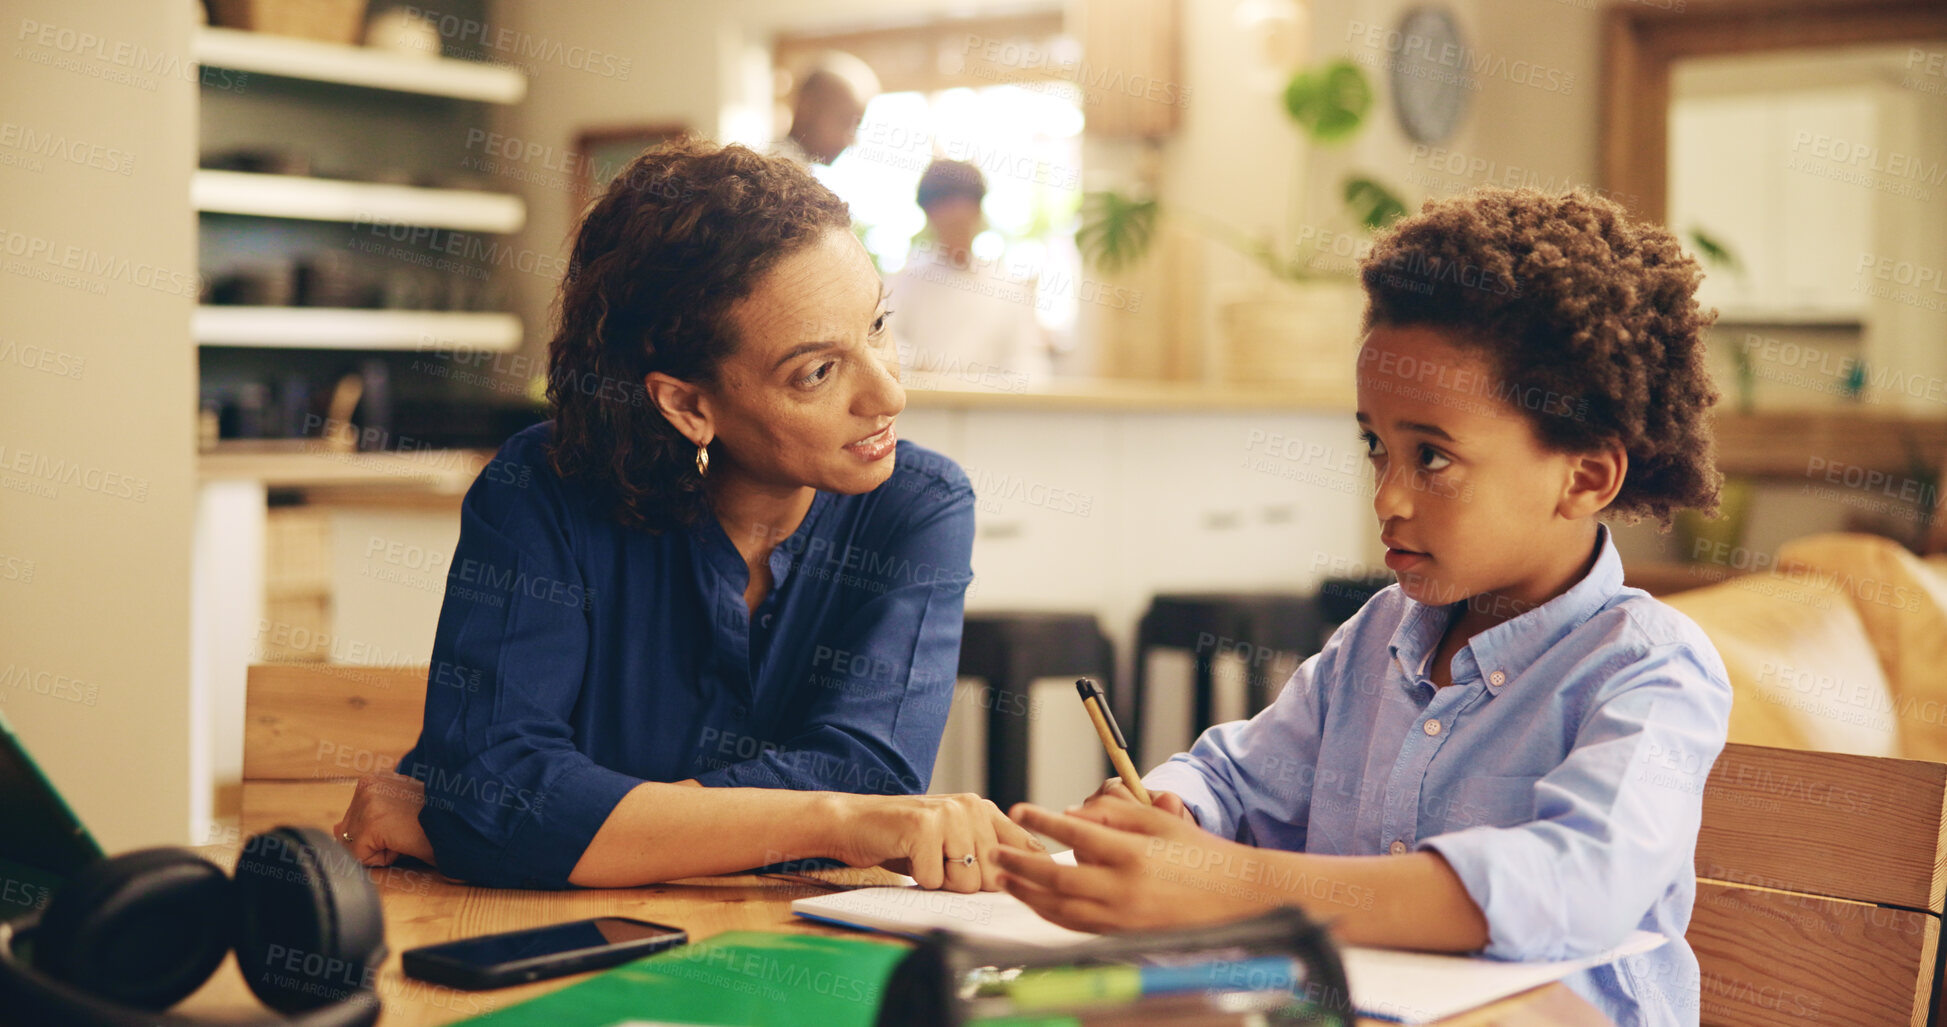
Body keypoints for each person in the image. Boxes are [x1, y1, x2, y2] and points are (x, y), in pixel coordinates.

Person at [991, 187, 1733, 1026]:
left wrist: (1219, 880)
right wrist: (1165, 815)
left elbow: (1573, 881)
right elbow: (1236, 776)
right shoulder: (1377, 636)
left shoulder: (1650, 666)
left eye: (1433, 457)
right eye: (1376, 446)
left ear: (1585, 476)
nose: (1387, 497)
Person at [335, 140, 1037, 892]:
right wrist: (835, 821)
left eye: (876, 326)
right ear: (688, 404)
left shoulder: (917, 504)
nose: (887, 394)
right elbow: (498, 785)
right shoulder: (539, 490)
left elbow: (868, 767)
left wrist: (524, 828)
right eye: (817, 371)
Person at [890, 160, 1052, 392]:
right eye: (944, 205)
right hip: (924, 409)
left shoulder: (1008, 287)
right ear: (928, 213)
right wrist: (920, 366)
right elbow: (885, 345)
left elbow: (1029, 364)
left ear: (978, 210)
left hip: (989, 413)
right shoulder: (904, 283)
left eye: (964, 204)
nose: (956, 214)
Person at [773, 52, 879, 167]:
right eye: (843, 121)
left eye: (855, 126)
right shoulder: (772, 174)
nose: (850, 141)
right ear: (807, 106)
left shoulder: (795, 171)